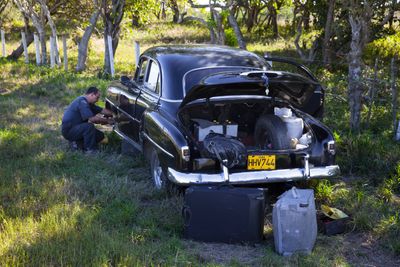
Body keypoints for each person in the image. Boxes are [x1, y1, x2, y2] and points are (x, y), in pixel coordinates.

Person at [61, 86, 114, 153]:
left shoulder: (89, 103)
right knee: (89, 127)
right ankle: (91, 151)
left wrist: (115, 115)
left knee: (100, 136)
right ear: (91, 94)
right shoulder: (82, 102)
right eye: (97, 97)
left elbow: (102, 110)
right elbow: (93, 119)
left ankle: (78, 144)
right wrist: (108, 121)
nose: (97, 100)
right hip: (69, 131)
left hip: (77, 128)